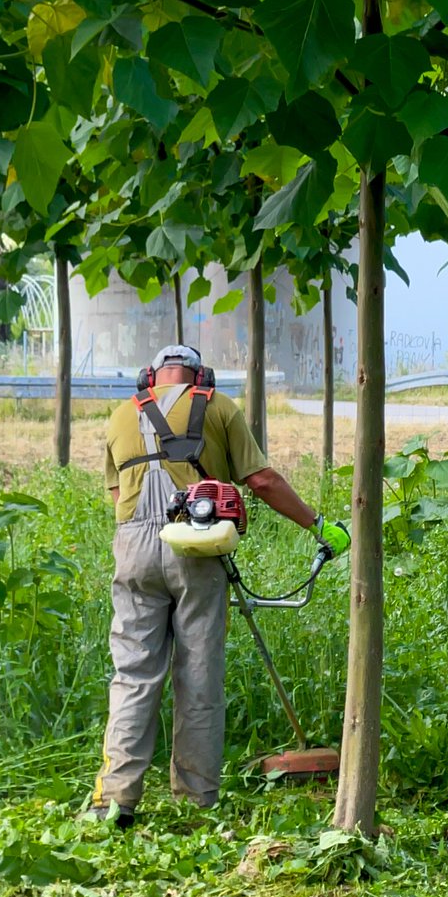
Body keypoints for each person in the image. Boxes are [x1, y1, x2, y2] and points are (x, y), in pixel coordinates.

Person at [89, 343, 350, 827]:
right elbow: (263, 481)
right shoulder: (218, 406)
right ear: (198, 374)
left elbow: (115, 495)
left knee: (132, 676)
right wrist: (317, 524)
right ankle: (195, 800)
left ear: (153, 377)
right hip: (196, 546)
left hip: (131, 552)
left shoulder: (120, 415)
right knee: (198, 677)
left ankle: (114, 800)